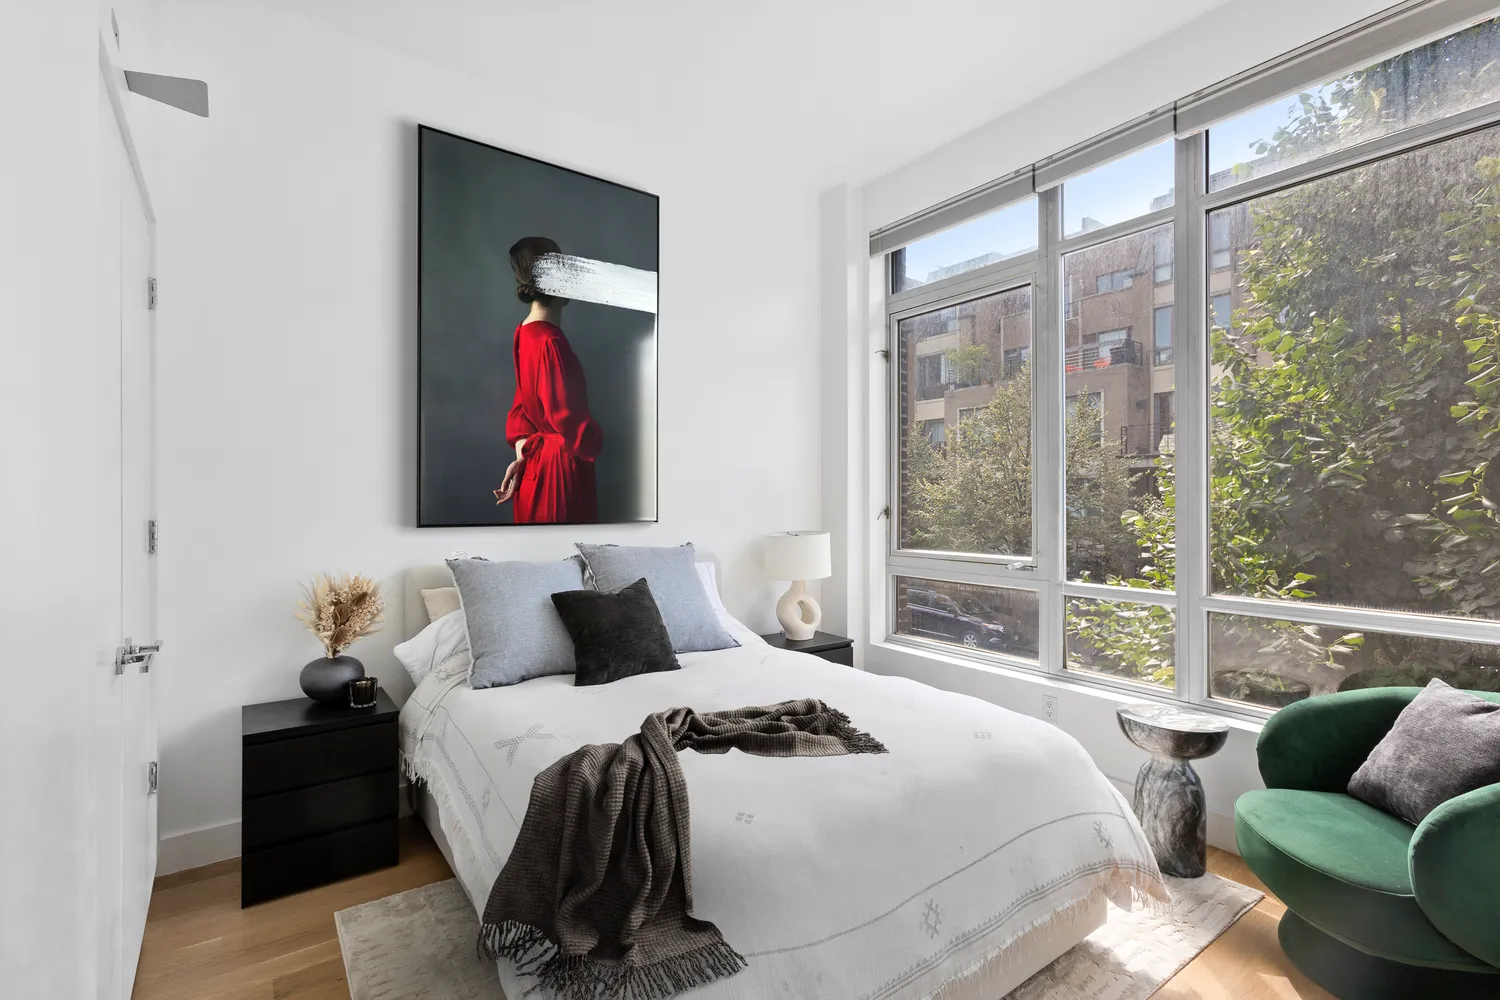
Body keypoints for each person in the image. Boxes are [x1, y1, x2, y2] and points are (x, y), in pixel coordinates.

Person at [493, 237, 602, 523]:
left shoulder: (525, 332)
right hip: (559, 474)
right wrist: (596, 438)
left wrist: (523, 453)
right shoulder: (550, 341)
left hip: (535, 468)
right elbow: (571, 426)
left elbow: (522, 411)